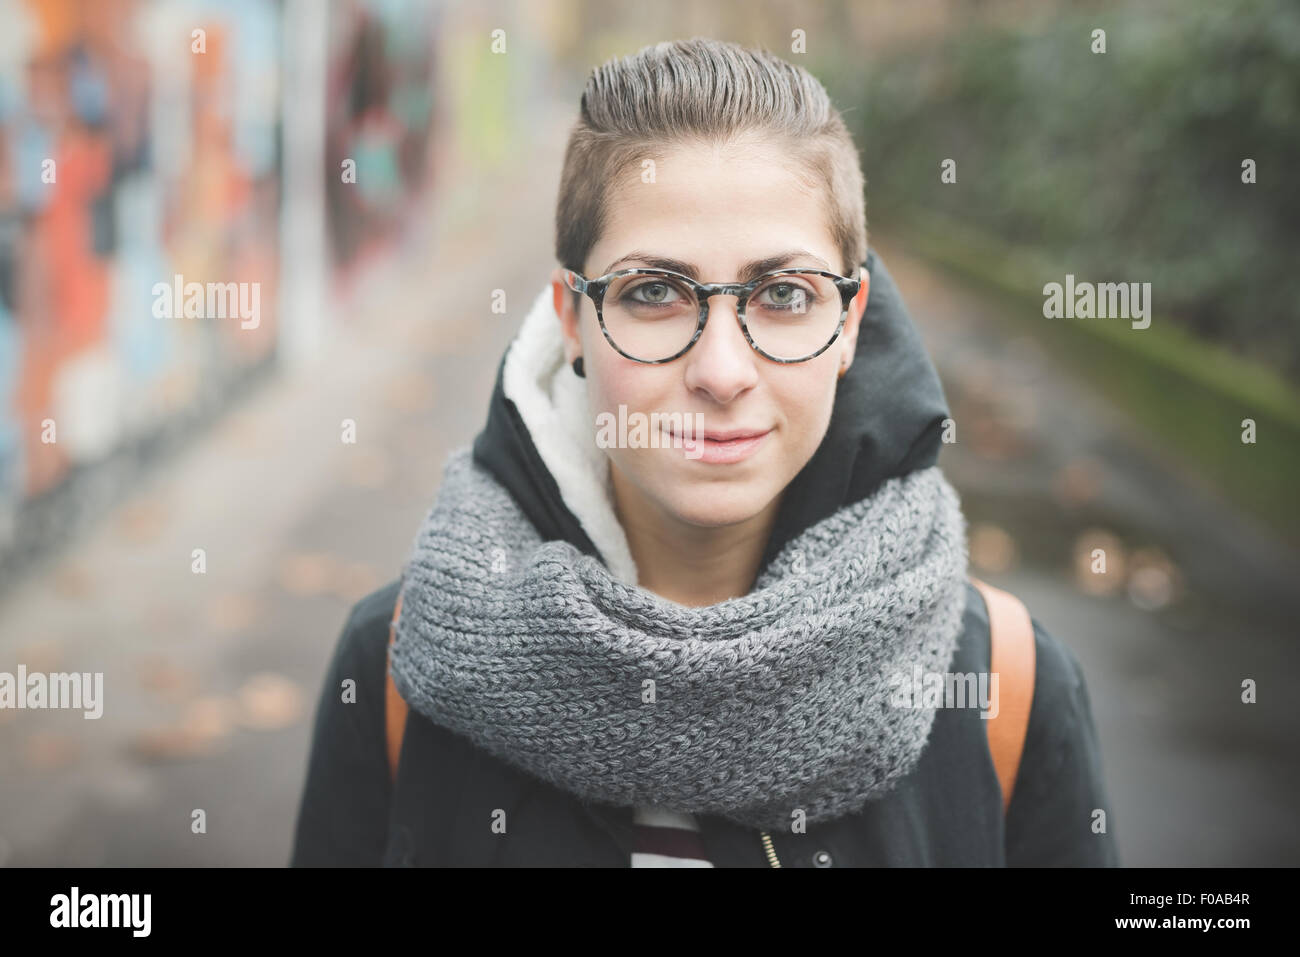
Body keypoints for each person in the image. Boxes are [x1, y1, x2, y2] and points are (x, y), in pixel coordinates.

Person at [290, 37, 1119, 868]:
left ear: (850, 322)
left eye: (785, 295)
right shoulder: (404, 663)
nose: (722, 372)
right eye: (654, 292)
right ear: (571, 318)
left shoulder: (1003, 689)